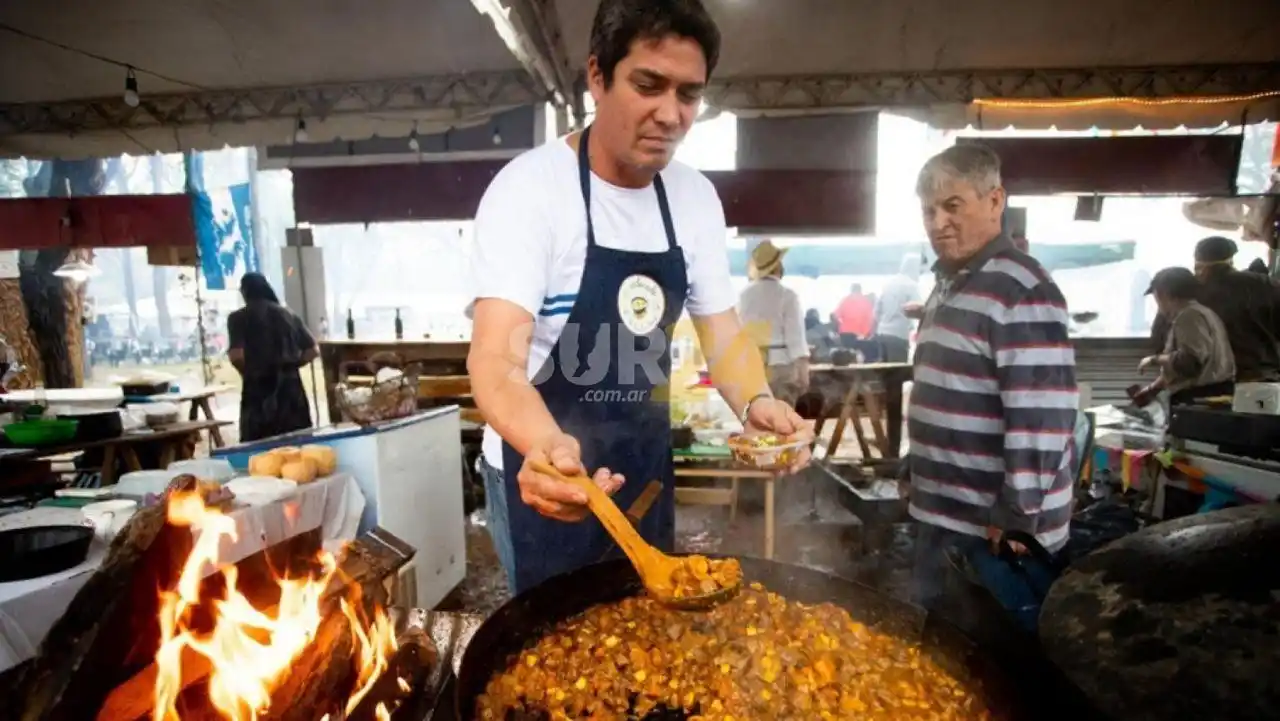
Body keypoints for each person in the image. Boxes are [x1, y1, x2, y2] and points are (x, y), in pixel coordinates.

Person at [466, 0, 811, 595]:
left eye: (689, 94)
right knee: (554, 636)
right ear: (597, 77)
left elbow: (723, 334)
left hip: (645, 467)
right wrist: (547, 448)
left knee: (654, 624)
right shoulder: (529, 192)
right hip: (546, 464)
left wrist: (755, 400)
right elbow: (496, 361)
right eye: (648, 85)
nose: (670, 114)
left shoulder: (694, 198)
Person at [906, 144, 1079, 611]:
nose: (938, 222)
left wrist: (1018, 515)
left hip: (994, 534)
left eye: (953, 206)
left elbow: (1042, 418)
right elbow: (946, 390)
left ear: (995, 200)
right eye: (928, 210)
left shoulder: (1022, 288)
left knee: (993, 648)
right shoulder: (953, 281)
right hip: (944, 516)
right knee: (934, 643)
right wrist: (913, 469)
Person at [226, 273, 318, 442]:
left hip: (258, 391)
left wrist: (248, 373)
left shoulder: (237, 318)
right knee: (298, 443)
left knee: (259, 446)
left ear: (245, 292)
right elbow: (313, 350)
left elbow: (236, 356)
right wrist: (293, 365)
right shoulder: (289, 315)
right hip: (291, 389)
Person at [1133, 267, 1235, 407]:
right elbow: (1181, 368)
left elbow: (1189, 362)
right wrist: (1152, 389)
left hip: (1199, 399)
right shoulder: (1203, 313)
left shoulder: (1189, 317)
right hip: (1212, 394)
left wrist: (1154, 359)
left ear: (1163, 294)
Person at [1193, 236, 1280, 382]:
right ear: (1231, 259)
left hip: (1212, 384)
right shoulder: (1267, 284)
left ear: (1199, 263)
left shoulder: (1191, 292)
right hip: (1263, 378)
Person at [737, 240, 809, 404]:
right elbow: (795, 336)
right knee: (782, 414)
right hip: (780, 365)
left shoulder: (743, 295)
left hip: (751, 363)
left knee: (755, 413)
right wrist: (803, 370)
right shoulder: (787, 295)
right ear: (777, 267)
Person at [873, 253, 923, 362]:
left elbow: (876, 311)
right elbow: (919, 310)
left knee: (882, 369)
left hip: (882, 334)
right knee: (897, 370)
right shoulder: (912, 286)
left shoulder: (888, 283)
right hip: (899, 336)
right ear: (915, 268)